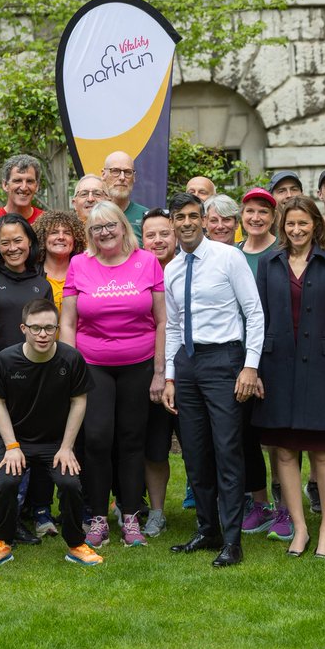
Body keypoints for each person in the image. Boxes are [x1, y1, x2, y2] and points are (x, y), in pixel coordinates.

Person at [163, 193, 264, 568]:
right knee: (194, 452)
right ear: (172, 223)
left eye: (194, 216)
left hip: (224, 360)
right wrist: (170, 376)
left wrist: (250, 366)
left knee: (227, 451)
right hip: (187, 365)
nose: (187, 223)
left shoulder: (228, 257)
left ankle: (232, 540)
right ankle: (208, 530)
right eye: (180, 217)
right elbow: (173, 326)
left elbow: (254, 312)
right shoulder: (172, 268)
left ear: (204, 220)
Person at [60, 200, 164, 548]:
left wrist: (159, 372)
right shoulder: (79, 264)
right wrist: (70, 369)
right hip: (93, 365)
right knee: (97, 439)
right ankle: (98, 518)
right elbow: (68, 322)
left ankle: (131, 516)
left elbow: (162, 321)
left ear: (123, 227)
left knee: (132, 440)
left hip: (139, 363)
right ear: (89, 233)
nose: (104, 232)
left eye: (110, 225)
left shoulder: (147, 261)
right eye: (96, 228)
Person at [253, 195, 325, 558]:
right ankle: (300, 528)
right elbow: (258, 317)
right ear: (283, 226)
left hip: (320, 368)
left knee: (323, 450)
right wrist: (256, 369)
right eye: (290, 223)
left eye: (303, 223)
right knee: (285, 451)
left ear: (315, 225)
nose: (296, 230)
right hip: (276, 367)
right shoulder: (269, 262)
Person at [0, 299, 103, 567]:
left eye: (49, 328)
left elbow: (79, 401)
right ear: (23, 328)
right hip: (15, 439)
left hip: (56, 442)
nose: (43, 334)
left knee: (70, 484)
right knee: (7, 482)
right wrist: (12, 446)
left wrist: (67, 447)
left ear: (57, 329)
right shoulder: (6, 360)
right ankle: (2, 542)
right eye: (36, 328)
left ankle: (76, 545)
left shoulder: (71, 358)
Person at [0, 215, 53, 538]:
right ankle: (2, 516)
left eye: (18, 240)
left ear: (30, 243)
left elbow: (47, 332)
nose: (12, 248)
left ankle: (19, 514)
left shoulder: (41, 283)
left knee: (25, 449)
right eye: (5, 242)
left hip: (33, 381)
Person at [235, 187, 284, 538]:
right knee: (246, 435)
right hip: (238, 357)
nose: (256, 218)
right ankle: (260, 503)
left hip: (275, 356)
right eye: (250, 211)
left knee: (279, 439)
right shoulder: (232, 254)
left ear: (273, 217)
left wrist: (262, 366)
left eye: (263, 212)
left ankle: (286, 508)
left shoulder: (281, 252)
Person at [140, 208, 178, 536]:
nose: (158, 240)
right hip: (150, 371)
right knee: (154, 447)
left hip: (191, 370)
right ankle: (156, 512)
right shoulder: (136, 271)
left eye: (164, 233)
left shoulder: (190, 267)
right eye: (150, 235)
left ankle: (211, 509)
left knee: (200, 446)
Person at [34, 209, 86, 311]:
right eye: (54, 232)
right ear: (42, 238)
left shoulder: (85, 273)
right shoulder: (31, 273)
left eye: (67, 233)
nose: (61, 237)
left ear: (75, 239)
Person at [0, 154, 45, 237]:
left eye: (29, 181)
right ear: (5, 185)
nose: (24, 187)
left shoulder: (47, 223)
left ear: (37, 186)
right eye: (17, 181)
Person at [102, 151, 150, 239]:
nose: (122, 177)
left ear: (134, 177)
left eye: (127, 172)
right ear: (103, 174)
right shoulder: (94, 214)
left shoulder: (146, 216)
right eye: (115, 171)